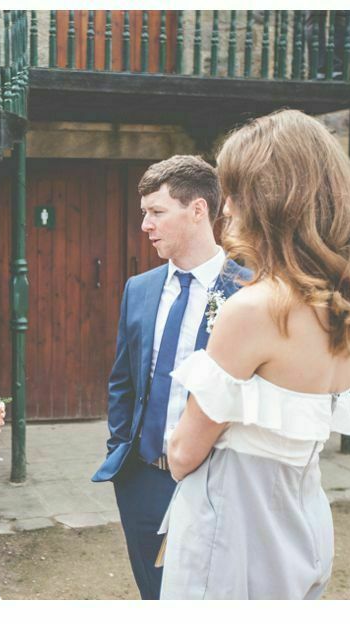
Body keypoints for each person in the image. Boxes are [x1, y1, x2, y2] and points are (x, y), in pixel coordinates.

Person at [159, 109, 350, 599]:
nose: (226, 209)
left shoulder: (257, 309)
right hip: (302, 518)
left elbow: (183, 453)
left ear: (270, 200)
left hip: (234, 530)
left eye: (235, 191)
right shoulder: (349, 310)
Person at [91, 155, 251, 600]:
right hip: (142, 478)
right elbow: (123, 380)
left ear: (198, 210)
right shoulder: (138, 288)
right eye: (145, 212)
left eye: (156, 212)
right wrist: (121, 447)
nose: (145, 224)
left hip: (216, 479)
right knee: (154, 594)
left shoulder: (248, 289)